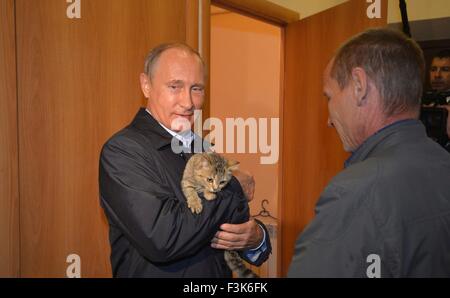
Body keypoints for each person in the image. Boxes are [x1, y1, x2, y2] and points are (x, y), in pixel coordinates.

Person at [99, 43, 271, 277]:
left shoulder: (202, 148)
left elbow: (237, 227)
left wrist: (256, 238)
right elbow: (163, 237)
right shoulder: (122, 151)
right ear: (146, 85)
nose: (189, 102)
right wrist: (233, 185)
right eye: (175, 86)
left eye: (197, 89)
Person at [288, 29, 450, 277]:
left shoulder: (355, 192)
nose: (329, 120)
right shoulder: (443, 164)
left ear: (358, 85)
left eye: (329, 97)